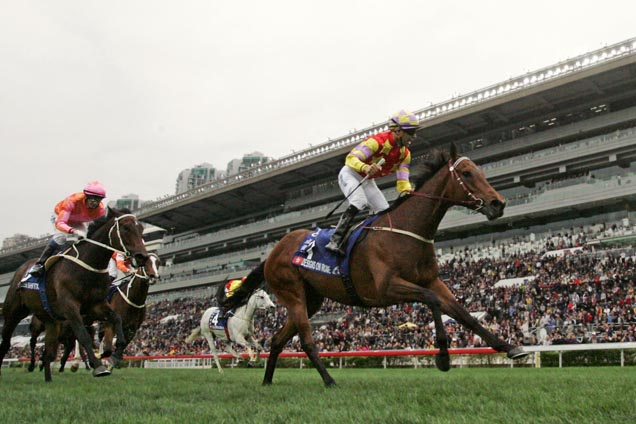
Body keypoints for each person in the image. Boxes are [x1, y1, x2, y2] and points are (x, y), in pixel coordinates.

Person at [325, 110, 420, 254]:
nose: (414, 136)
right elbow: (351, 159)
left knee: (384, 211)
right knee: (359, 201)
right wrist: (365, 167)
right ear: (398, 131)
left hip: (368, 180)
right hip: (350, 173)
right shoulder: (376, 142)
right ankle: (335, 240)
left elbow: (402, 181)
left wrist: (408, 193)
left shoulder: (405, 155)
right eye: (411, 132)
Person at [30, 181, 107, 277]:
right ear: (86, 196)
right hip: (60, 218)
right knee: (61, 237)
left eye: (98, 199)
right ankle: (39, 264)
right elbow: (60, 223)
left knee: (84, 239)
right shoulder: (72, 201)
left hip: (78, 221)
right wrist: (72, 231)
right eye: (93, 199)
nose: (95, 202)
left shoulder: (100, 210)